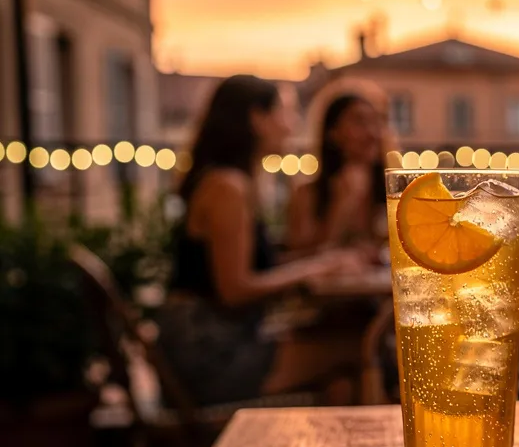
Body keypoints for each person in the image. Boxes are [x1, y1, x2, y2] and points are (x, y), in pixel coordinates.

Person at [156, 75, 364, 405]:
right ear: (257, 118)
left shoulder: (231, 181)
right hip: (212, 354)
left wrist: (320, 263)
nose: (293, 124)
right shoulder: (227, 187)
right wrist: (314, 269)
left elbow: (252, 267)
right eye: (286, 112)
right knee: (360, 347)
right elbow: (235, 288)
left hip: (217, 340)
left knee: (345, 359)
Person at [286, 93, 388, 255]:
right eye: (359, 122)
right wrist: (341, 207)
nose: (372, 133)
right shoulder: (307, 194)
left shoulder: (390, 193)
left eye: (376, 122)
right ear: (332, 132)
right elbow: (297, 260)